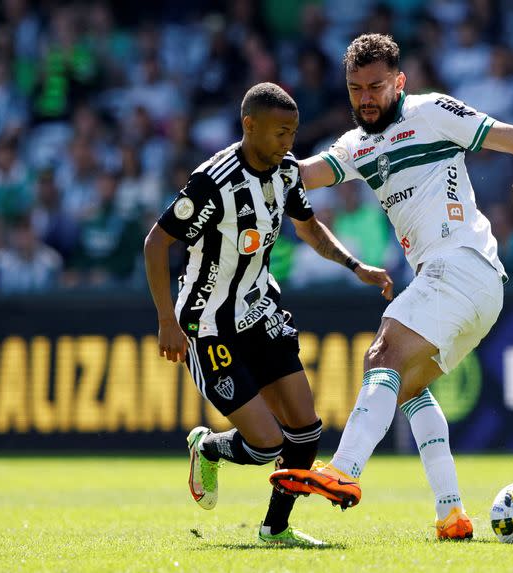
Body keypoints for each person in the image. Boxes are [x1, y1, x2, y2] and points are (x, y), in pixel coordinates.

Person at [269, 33, 513, 540]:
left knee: (382, 355)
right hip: (474, 286)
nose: (365, 99)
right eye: (355, 89)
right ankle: (452, 513)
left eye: (375, 87)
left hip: (461, 264)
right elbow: (305, 174)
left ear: (400, 81)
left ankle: (345, 469)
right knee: (409, 386)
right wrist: (257, 160)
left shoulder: (432, 112)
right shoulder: (357, 145)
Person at [143, 82, 392, 547]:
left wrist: (354, 265)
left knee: (306, 430)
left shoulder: (287, 173)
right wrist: (166, 321)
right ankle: (209, 446)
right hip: (209, 324)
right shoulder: (212, 182)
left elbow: (308, 227)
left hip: (260, 310)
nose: (288, 143)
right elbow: (157, 243)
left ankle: (275, 529)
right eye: (280, 133)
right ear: (249, 125)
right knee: (266, 445)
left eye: (293, 133)